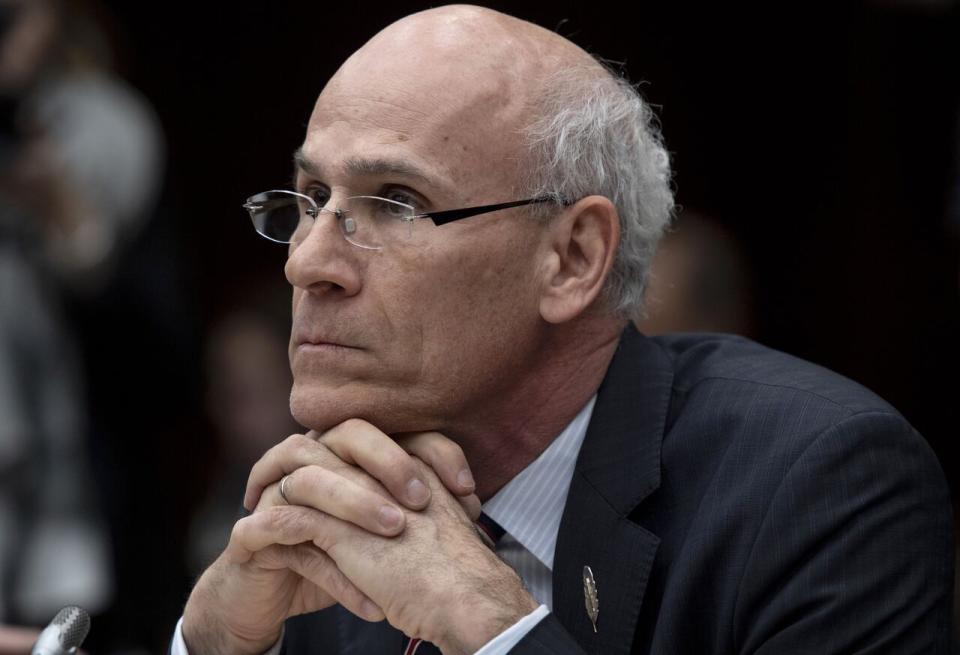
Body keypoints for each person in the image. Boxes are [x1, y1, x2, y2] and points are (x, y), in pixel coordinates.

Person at [174, 5, 954, 654]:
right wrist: (209, 642)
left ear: (572, 258)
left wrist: (491, 628)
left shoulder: (821, 487)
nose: (307, 261)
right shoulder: (338, 500)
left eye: (396, 202)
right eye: (312, 196)